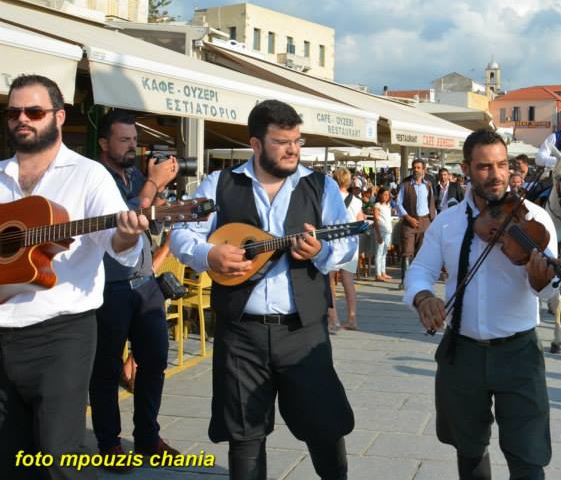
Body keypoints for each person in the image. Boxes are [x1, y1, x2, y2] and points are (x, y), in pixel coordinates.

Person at [169, 100, 356, 480]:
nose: (292, 149)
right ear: (255, 144)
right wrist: (209, 255)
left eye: (297, 141)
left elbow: (348, 244)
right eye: (282, 141)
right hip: (241, 331)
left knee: (324, 426)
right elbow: (181, 234)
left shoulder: (319, 186)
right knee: (244, 434)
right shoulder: (220, 184)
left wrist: (321, 251)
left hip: (302, 331)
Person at [0, 75, 149, 480]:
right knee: (9, 459)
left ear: (59, 117)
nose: (22, 120)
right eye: (14, 112)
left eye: (34, 111)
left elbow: (117, 242)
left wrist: (126, 233)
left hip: (60, 335)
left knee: (60, 456)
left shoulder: (88, 175)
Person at [405, 129, 558, 480]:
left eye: (503, 165)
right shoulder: (447, 222)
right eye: (486, 167)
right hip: (463, 353)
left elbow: (550, 291)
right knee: (469, 450)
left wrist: (541, 280)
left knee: (528, 457)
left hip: (518, 354)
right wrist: (423, 296)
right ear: (467, 169)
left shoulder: (533, 219)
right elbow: (420, 270)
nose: (497, 175)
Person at [89, 110, 181, 471]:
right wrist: (152, 187)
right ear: (104, 143)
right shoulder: (95, 178)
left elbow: (148, 217)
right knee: (106, 369)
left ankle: (147, 437)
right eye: (124, 140)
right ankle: (109, 443)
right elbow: (124, 219)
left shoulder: (135, 175)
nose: (133, 147)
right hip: (108, 286)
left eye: (134, 140)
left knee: (155, 360)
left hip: (144, 284)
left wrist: (166, 205)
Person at [395, 158, 436, 289]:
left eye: (418, 168)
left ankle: (419, 280)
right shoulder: (406, 184)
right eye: (414, 167)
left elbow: (432, 203)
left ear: (424, 169)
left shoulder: (428, 185)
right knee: (407, 252)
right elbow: (398, 203)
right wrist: (408, 217)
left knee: (422, 253)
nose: (416, 170)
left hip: (425, 221)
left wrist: (432, 220)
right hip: (409, 221)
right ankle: (405, 281)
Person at [331, 167, 362, 331]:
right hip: (351, 244)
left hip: (334, 244)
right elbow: (361, 222)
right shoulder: (356, 201)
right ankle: (352, 318)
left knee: (330, 282)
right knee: (348, 282)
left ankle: (334, 319)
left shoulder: (330, 198)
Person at [372, 187, 394, 282]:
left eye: (387, 195)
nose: (386, 196)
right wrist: (378, 235)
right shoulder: (377, 205)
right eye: (384, 194)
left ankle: (383, 272)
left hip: (388, 231)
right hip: (381, 231)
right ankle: (378, 274)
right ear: (380, 195)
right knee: (379, 252)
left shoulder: (388, 205)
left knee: (384, 252)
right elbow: (376, 220)